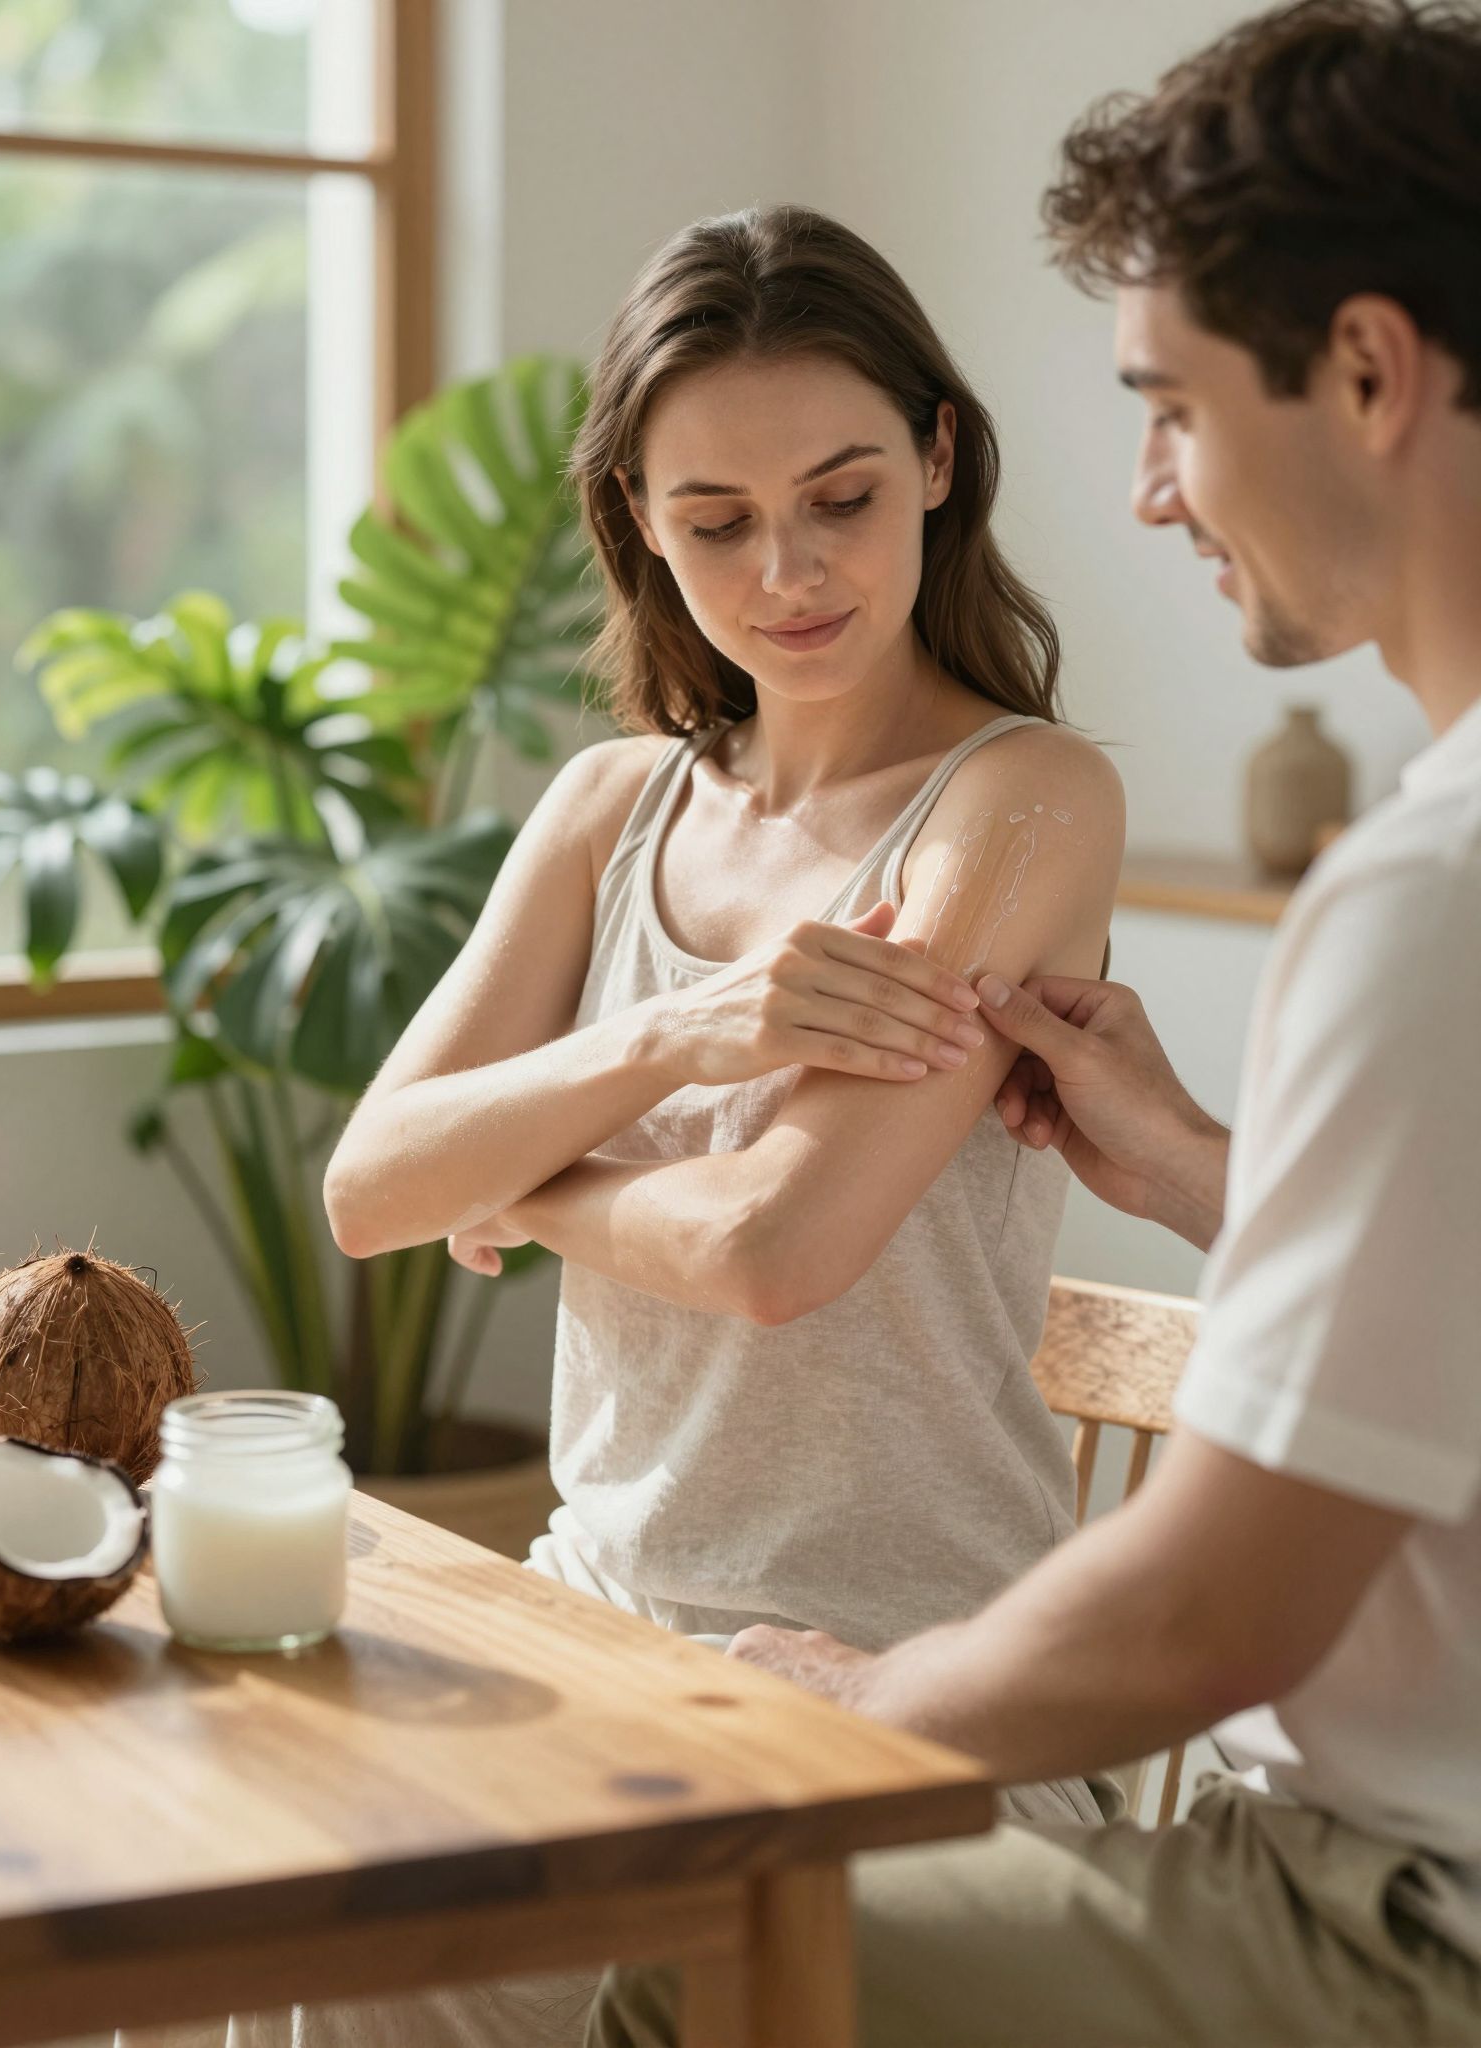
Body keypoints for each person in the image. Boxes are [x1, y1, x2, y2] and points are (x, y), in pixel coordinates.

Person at [589, 3, 1481, 2044]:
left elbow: (1202, 1614)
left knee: (707, 1957)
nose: (1154, 492)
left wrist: (860, 1697)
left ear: (1366, 371)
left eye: (1170, 408)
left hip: (1407, 1916)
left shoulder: (1425, 895)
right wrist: (1206, 1177)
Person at [304, 206, 1123, 2047]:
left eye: (841, 497)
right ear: (638, 522)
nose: (788, 573)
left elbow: (774, 1249)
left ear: (936, 457)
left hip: (913, 1679)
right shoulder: (609, 809)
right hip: (586, 1630)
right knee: (310, 1917)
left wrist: (527, 1180)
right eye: (718, 521)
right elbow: (370, 1186)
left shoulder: (1022, 800)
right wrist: (672, 1033)